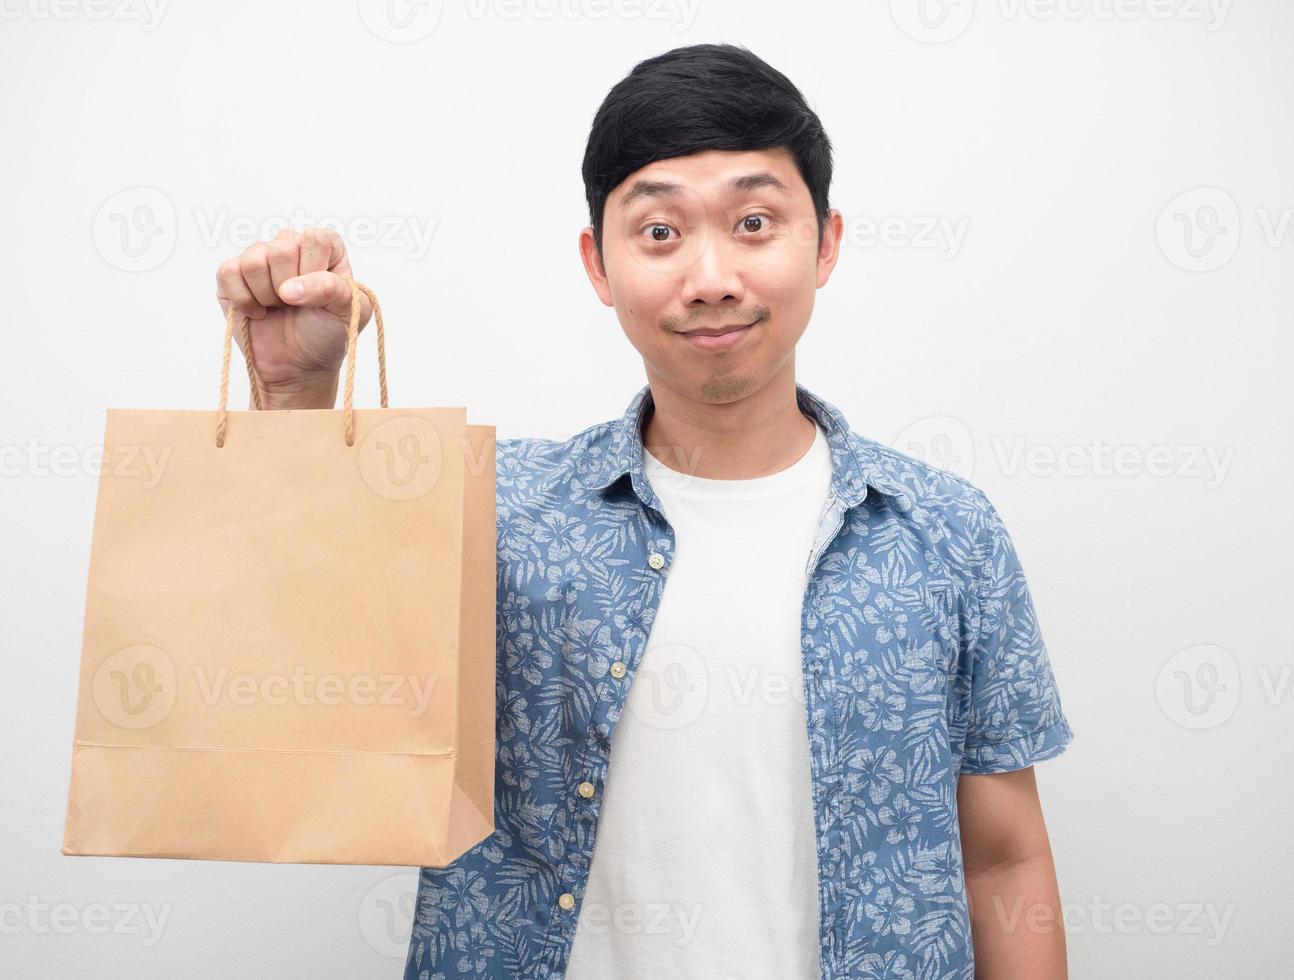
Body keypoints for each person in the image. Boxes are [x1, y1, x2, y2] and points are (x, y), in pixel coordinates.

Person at [215, 42, 1074, 980]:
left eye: (754, 222)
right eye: (659, 232)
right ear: (598, 263)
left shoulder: (945, 533)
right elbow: (309, 690)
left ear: (824, 243)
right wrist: (296, 398)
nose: (709, 277)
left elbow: (1003, 856)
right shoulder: (496, 513)